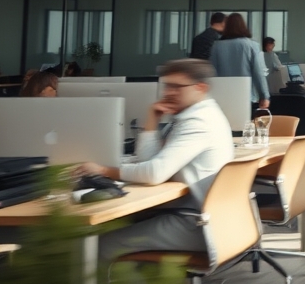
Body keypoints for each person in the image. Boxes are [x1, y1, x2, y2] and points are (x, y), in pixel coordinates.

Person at [75, 59, 235, 268]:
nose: (168, 92)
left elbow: (154, 173)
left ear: (200, 88)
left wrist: (104, 170)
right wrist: (152, 119)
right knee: (110, 226)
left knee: (99, 245)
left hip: (197, 223)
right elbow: (149, 163)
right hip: (195, 213)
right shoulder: (196, 115)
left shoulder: (199, 122)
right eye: (166, 85)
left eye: (176, 87)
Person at [209, 13, 270, 114]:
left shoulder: (216, 46)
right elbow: (258, 73)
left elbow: (212, 72)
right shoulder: (251, 45)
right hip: (245, 95)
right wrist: (264, 95)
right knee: (245, 126)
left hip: (223, 95)